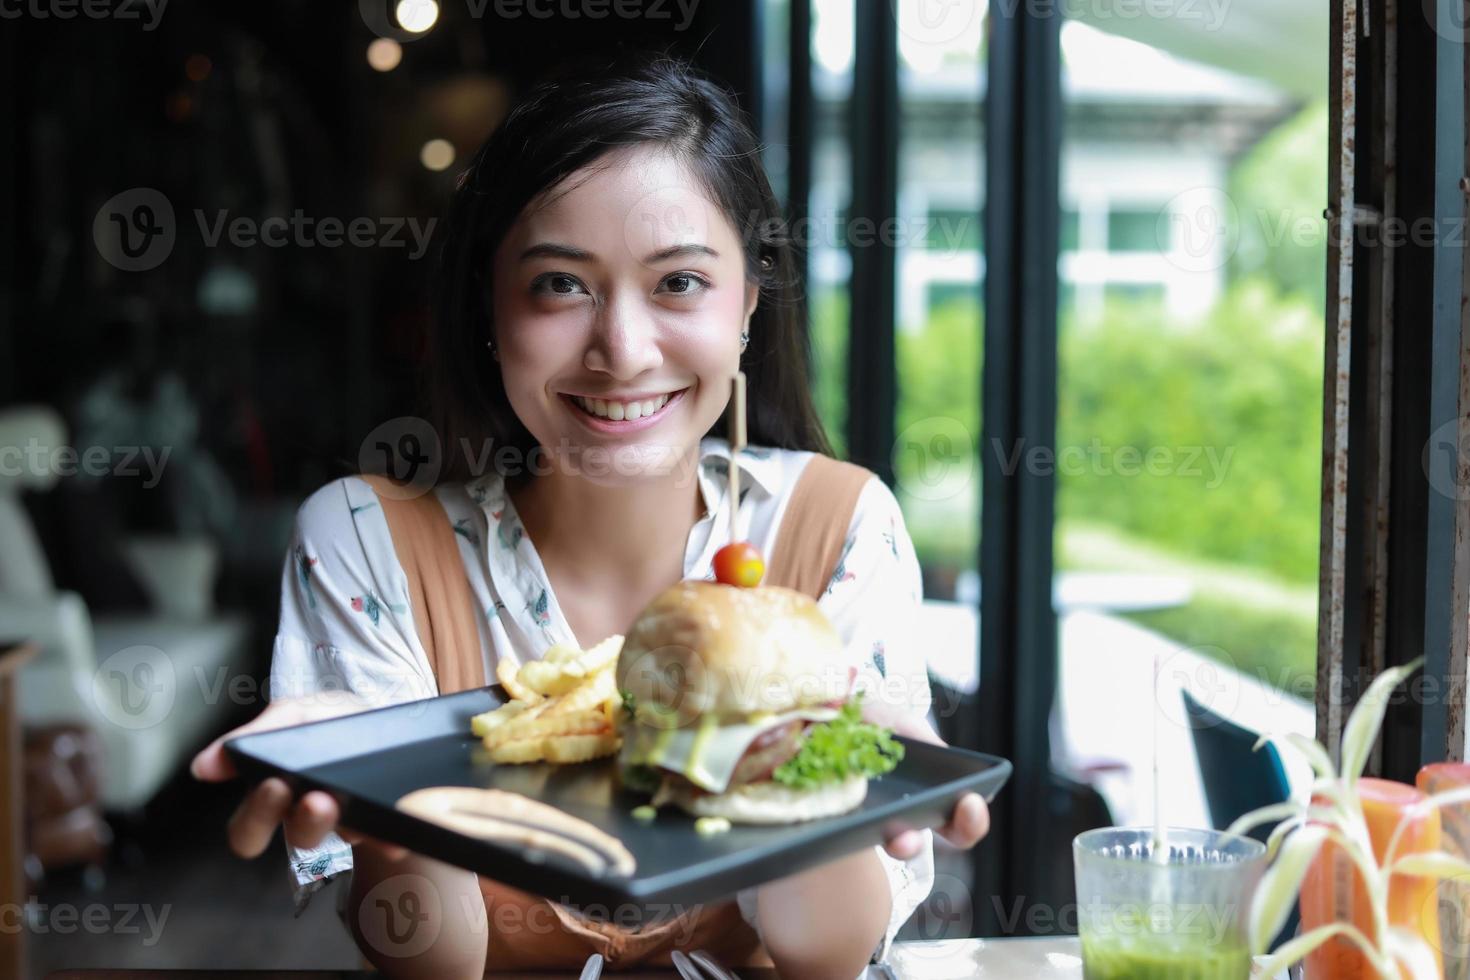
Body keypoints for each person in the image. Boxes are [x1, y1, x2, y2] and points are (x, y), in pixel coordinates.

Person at [190, 53, 989, 979]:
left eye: (679, 282)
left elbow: (824, 958)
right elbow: (427, 959)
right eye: (560, 284)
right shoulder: (366, 544)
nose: (622, 349)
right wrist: (390, 793)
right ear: (491, 307)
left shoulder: (837, 525)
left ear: (748, 305)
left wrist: (828, 774)